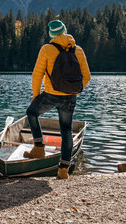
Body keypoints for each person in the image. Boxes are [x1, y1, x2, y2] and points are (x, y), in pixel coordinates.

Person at [24, 19, 91, 179]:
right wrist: (75, 92)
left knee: (31, 113)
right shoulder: (78, 50)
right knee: (66, 130)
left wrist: (36, 95)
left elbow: (37, 75)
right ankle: (63, 170)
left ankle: (39, 147)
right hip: (70, 97)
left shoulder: (47, 49)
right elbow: (87, 76)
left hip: (51, 94)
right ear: (65, 31)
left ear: (51, 35)